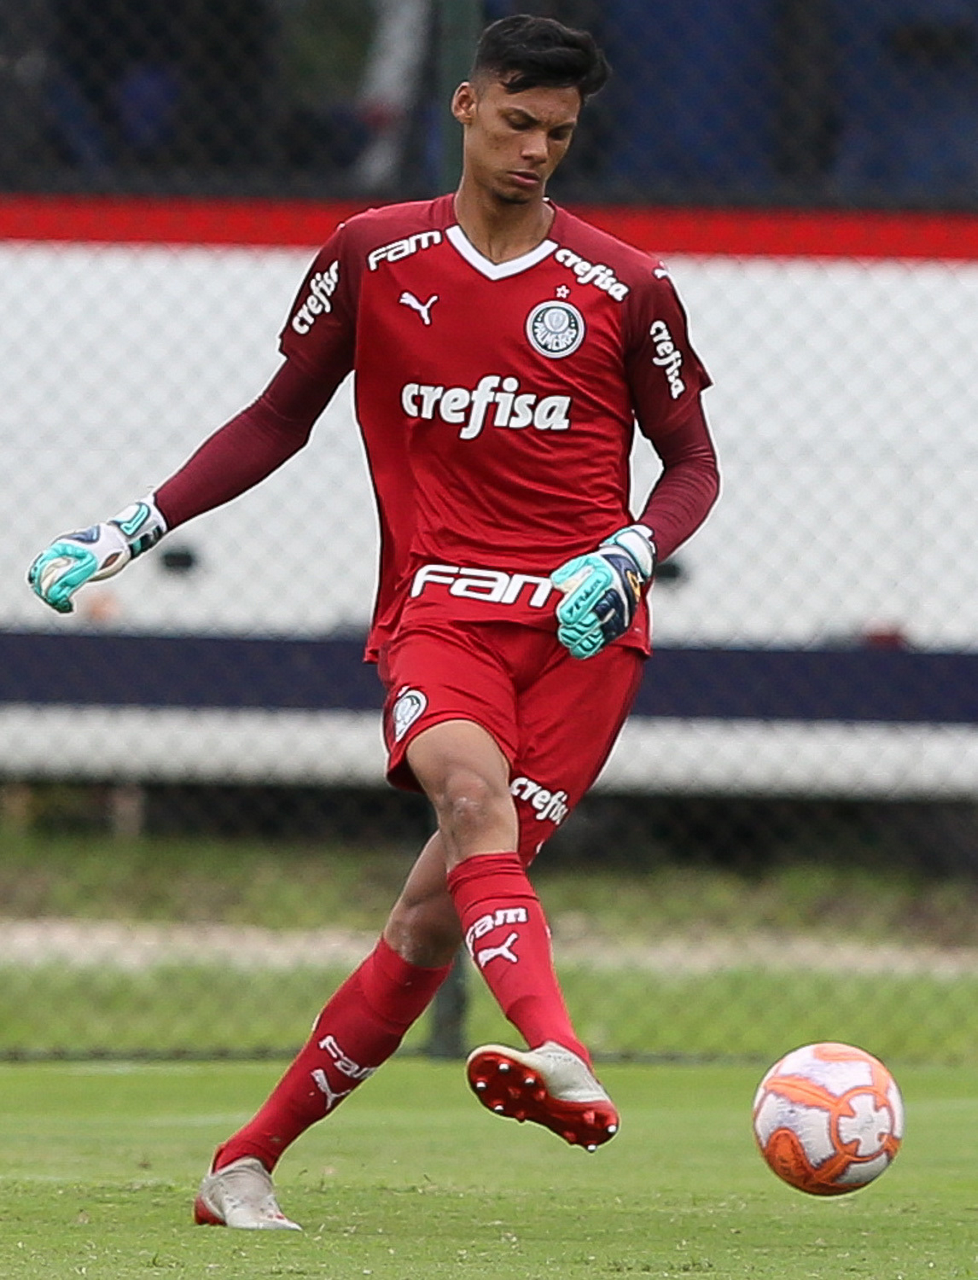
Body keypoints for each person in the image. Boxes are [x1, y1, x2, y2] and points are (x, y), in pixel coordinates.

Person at [28, 14, 720, 1231]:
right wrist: (133, 524)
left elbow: (693, 466)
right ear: (465, 105)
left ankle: (242, 1163)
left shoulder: (626, 285)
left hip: (584, 638)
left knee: (427, 915)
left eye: (559, 133)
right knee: (472, 799)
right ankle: (562, 1050)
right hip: (440, 611)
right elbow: (275, 417)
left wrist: (630, 548)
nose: (535, 150)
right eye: (518, 121)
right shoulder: (373, 254)